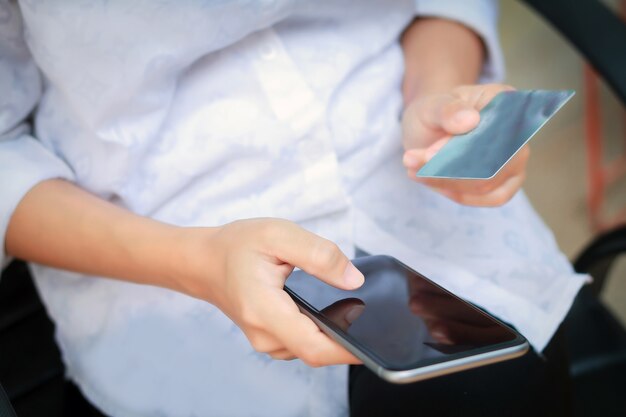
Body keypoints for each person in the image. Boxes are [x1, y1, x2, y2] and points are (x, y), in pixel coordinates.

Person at [0, 0, 586, 416]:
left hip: (402, 178)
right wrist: (196, 260)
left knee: (494, 385)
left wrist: (438, 98)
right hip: (159, 249)